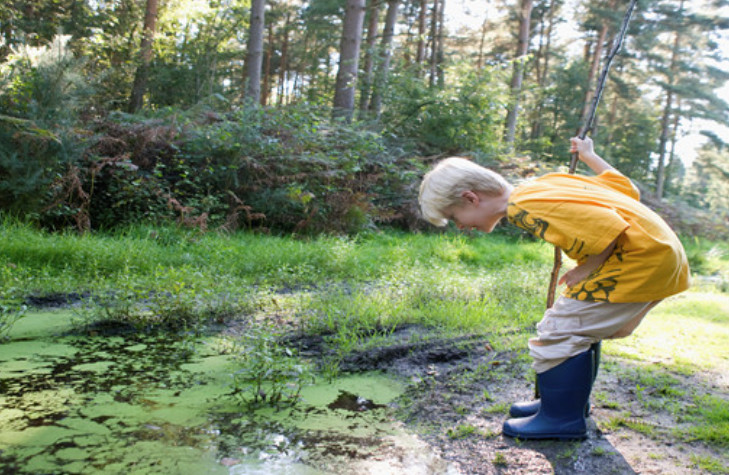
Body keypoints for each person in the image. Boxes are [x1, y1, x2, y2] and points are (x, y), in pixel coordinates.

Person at [418, 136, 690, 440]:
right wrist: (589, 156)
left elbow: (609, 226)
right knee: (577, 330)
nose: (460, 226)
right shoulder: (543, 185)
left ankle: (561, 418)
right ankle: (566, 404)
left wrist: (583, 269)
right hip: (656, 253)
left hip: (637, 259)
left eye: (455, 218)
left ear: (471, 198)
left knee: (558, 331)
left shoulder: (525, 205)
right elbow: (625, 189)